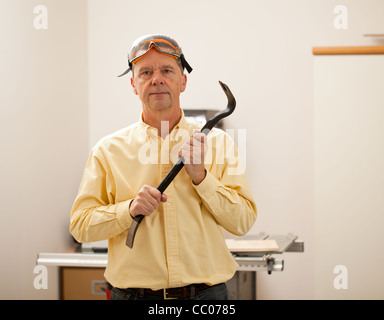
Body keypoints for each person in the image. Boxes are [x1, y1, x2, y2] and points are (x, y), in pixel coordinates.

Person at [70, 34, 257, 300]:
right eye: (146, 72)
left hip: (207, 297)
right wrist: (128, 210)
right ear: (134, 84)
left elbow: (243, 222)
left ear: (183, 81)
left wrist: (201, 178)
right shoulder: (107, 151)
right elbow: (80, 226)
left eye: (167, 70)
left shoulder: (219, 144)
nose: (157, 78)